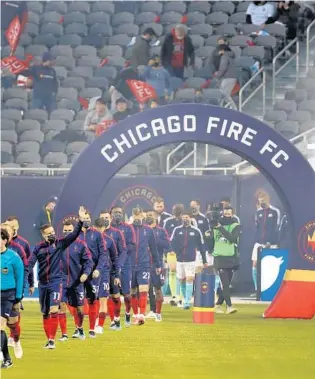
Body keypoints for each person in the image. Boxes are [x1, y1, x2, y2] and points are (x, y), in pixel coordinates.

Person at [28, 206, 86, 349]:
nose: (52, 235)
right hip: (42, 284)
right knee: (46, 313)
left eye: (53, 232)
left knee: (55, 309)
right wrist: (26, 278)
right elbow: (29, 264)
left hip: (56, 282)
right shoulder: (38, 248)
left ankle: (53, 341)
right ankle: (49, 339)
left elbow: (74, 235)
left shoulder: (60, 244)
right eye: (49, 234)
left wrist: (80, 220)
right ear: (43, 235)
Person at [58, 221, 93, 342]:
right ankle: (64, 334)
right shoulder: (59, 244)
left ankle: (80, 328)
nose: (67, 233)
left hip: (76, 281)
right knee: (61, 306)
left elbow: (89, 262)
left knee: (79, 308)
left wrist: (85, 274)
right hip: (61, 281)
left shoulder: (81, 244)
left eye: (70, 231)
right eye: (65, 231)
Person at [78, 211, 107, 338]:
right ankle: (78, 328)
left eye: (88, 218)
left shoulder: (97, 235)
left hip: (93, 272)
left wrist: (98, 269)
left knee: (92, 299)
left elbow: (103, 254)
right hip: (78, 273)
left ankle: (91, 329)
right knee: (77, 301)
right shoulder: (75, 235)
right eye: (83, 218)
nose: (86, 220)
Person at [130, 208, 161, 325]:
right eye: (136, 217)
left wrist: (158, 264)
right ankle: (136, 314)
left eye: (140, 217)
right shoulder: (128, 229)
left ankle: (142, 315)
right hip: (130, 265)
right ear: (133, 216)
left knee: (143, 289)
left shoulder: (148, 230)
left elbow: (154, 248)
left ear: (142, 217)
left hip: (144, 264)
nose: (138, 219)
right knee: (132, 291)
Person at [1, 223, 28, 358]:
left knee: (13, 324)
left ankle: (16, 341)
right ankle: (3, 352)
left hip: (10, 294)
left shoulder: (16, 252)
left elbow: (21, 274)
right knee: (1, 325)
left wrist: (19, 296)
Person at [170, 212, 207, 309]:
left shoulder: (196, 231)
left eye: (187, 217)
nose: (185, 219)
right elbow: (172, 242)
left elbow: (201, 246)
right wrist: (173, 251)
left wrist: (204, 260)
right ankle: (185, 298)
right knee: (182, 280)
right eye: (184, 217)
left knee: (189, 278)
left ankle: (187, 302)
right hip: (179, 260)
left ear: (190, 218)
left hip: (191, 259)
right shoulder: (177, 230)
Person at [99, 210, 127, 330]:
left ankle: (116, 318)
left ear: (110, 218)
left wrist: (118, 267)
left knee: (115, 295)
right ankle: (111, 321)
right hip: (101, 270)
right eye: (102, 218)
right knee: (103, 296)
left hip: (114, 269)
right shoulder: (96, 234)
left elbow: (123, 251)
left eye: (106, 217)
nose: (105, 220)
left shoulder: (117, 233)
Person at [210, 207, 241, 314]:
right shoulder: (215, 225)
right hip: (219, 256)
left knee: (227, 283)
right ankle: (229, 306)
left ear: (232, 214)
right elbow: (212, 240)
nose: (227, 214)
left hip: (231, 256)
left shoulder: (236, 225)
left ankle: (218, 304)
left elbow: (232, 238)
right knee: (225, 283)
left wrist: (220, 228)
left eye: (229, 213)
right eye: (225, 213)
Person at [93, 218, 120, 334]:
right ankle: (93, 322)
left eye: (101, 229)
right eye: (97, 229)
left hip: (104, 273)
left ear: (104, 228)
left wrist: (116, 275)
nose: (99, 231)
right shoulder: (88, 240)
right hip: (91, 274)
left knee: (103, 299)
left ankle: (100, 325)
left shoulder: (109, 241)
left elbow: (114, 258)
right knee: (92, 301)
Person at [110, 206, 136, 327]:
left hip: (125, 264)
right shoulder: (108, 229)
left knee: (126, 294)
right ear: (111, 215)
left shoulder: (129, 228)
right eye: (115, 212)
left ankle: (127, 313)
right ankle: (115, 319)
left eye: (119, 212)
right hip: (111, 265)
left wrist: (121, 255)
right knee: (114, 295)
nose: (117, 214)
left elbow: (131, 246)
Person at [251, 192, 280, 295]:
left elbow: (277, 228)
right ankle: (257, 289)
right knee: (255, 264)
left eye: (263, 198)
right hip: (259, 243)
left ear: (268, 198)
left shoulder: (275, 211)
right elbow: (257, 227)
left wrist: (270, 241)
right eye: (260, 199)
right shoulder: (258, 212)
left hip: (272, 244)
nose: (261, 200)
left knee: (269, 265)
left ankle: (270, 289)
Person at [144, 210, 170, 322]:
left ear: (156, 218)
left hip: (156, 263)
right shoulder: (142, 230)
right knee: (146, 288)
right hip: (144, 262)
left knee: (157, 288)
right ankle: (152, 311)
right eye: (147, 216)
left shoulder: (161, 231)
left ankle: (158, 313)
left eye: (151, 215)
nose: (149, 217)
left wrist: (155, 239)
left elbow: (167, 244)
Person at [163, 204, 185, 306]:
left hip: (183, 252)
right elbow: (164, 236)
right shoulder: (168, 221)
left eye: (178, 210)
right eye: (175, 210)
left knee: (182, 274)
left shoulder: (186, 221)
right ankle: (174, 295)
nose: (177, 212)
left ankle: (181, 296)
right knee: (172, 271)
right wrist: (168, 250)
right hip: (171, 251)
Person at [214, 45, 238, 110]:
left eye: (218, 50)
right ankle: (222, 108)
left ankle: (234, 109)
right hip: (231, 77)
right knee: (224, 94)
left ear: (222, 50)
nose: (217, 52)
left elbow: (223, 68)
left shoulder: (224, 57)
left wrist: (218, 75)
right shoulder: (230, 56)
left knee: (225, 95)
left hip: (228, 78)